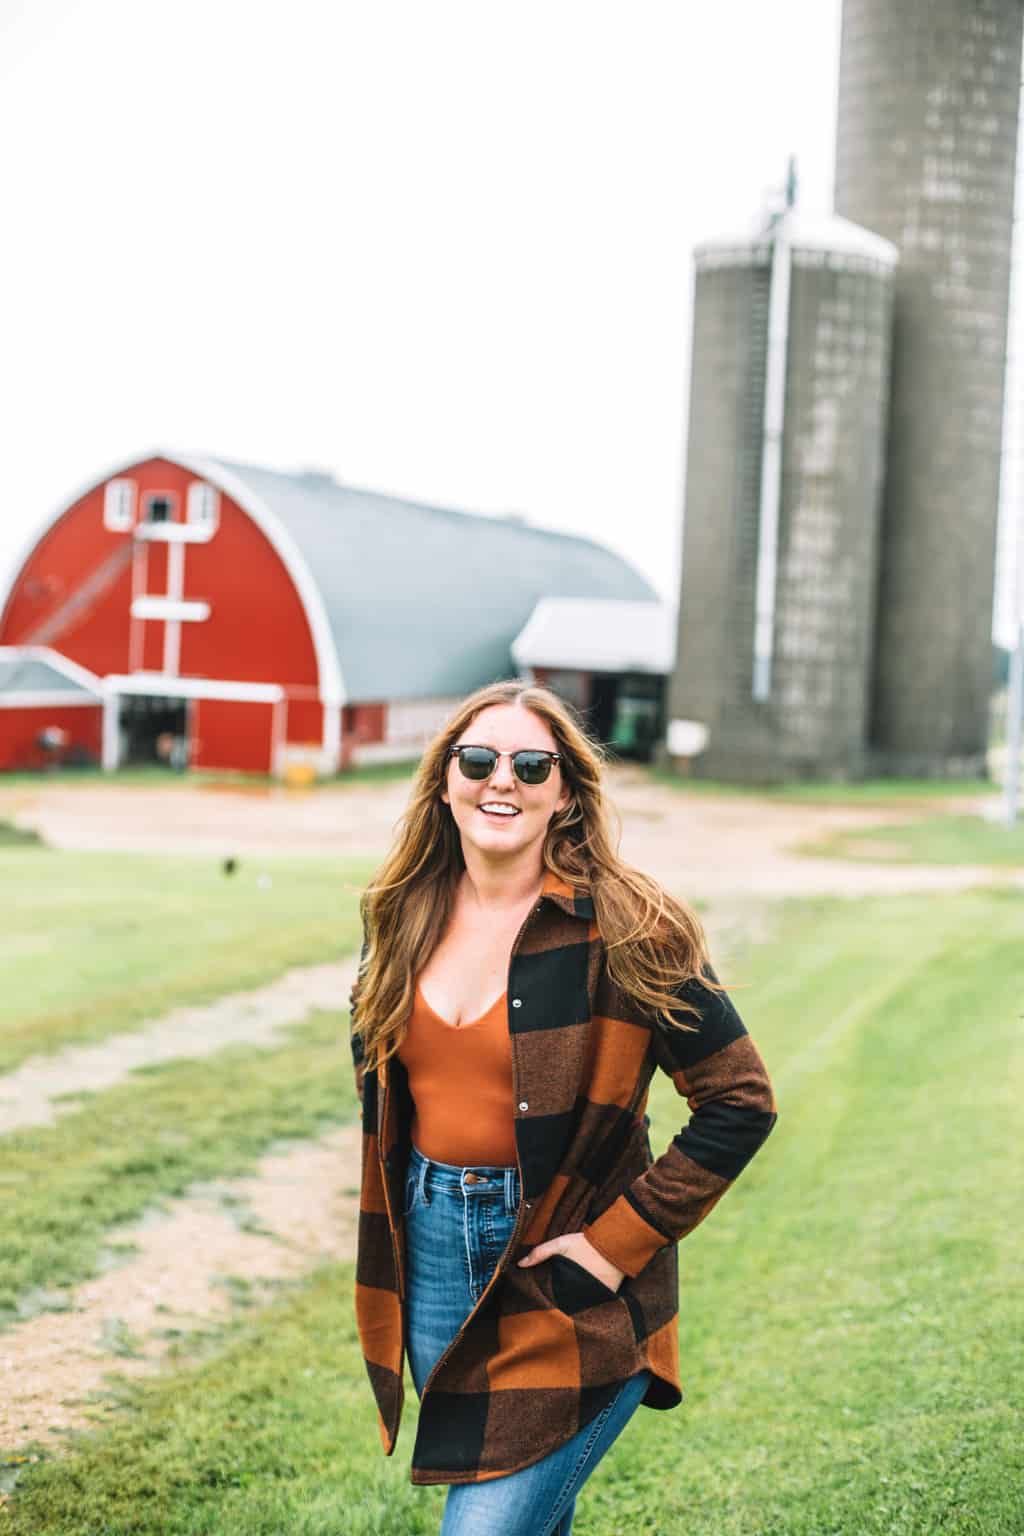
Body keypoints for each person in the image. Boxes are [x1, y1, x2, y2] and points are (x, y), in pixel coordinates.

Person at [350, 681, 777, 1534]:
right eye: (477, 759)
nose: (499, 780)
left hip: (565, 1266)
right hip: (433, 1256)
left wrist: (614, 1247)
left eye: (530, 764)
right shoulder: (398, 916)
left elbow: (740, 1100)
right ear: (445, 781)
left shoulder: (632, 928)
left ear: (565, 793)